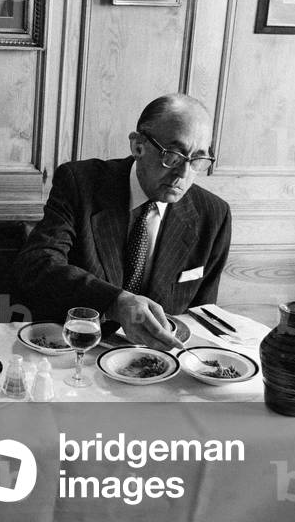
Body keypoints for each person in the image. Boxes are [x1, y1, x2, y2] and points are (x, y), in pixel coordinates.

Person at [14, 94, 231, 351]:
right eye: (173, 156)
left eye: (197, 160)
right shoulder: (80, 183)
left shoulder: (214, 215)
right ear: (138, 145)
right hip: (79, 349)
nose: (183, 174)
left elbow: (201, 317)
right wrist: (115, 301)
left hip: (160, 359)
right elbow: (38, 264)